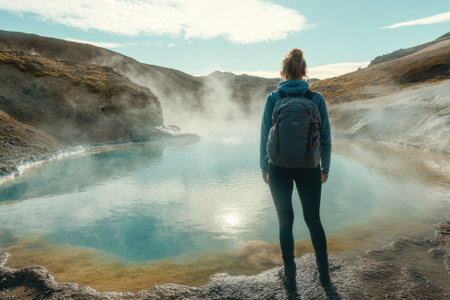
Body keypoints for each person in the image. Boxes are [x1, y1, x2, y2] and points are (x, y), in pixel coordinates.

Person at [259, 48, 332, 290]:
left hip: (278, 167)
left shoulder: (274, 98)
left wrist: (264, 166)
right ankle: (324, 277)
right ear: (304, 73)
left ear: (283, 73)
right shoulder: (316, 99)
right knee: (313, 220)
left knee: (285, 221)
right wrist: (325, 166)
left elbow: (263, 136)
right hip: (309, 166)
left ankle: (290, 276)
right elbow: (326, 138)